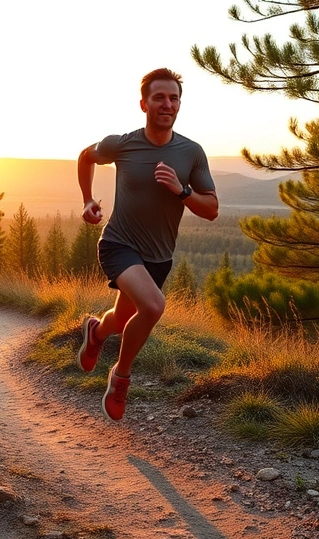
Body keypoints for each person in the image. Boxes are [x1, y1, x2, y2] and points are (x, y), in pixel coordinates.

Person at [76, 67, 218, 421]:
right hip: (119, 244)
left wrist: (182, 190)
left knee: (122, 320)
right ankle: (121, 375)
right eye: (159, 97)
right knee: (153, 307)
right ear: (144, 104)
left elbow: (212, 209)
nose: (167, 104)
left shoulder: (191, 153)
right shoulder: (122, 145)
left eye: (173, 98)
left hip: (159, 257)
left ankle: (96, 332)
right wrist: (87, 199)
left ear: (179, 105)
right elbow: (85, 156)